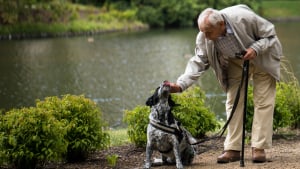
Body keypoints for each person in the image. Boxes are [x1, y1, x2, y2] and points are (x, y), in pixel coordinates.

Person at [168, 4, 283, 163]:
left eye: (209, 32)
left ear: (221, 25)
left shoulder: (244, 18)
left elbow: (271, 35)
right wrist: (180, 85)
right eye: (203, 32)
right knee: (233, 101)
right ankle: (233, 149)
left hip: (263, 56)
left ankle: (259, 148)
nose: (206, 36)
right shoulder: (204, 36)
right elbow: (198, 62)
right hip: (237, 60)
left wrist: (256, 48)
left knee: (263, 102)